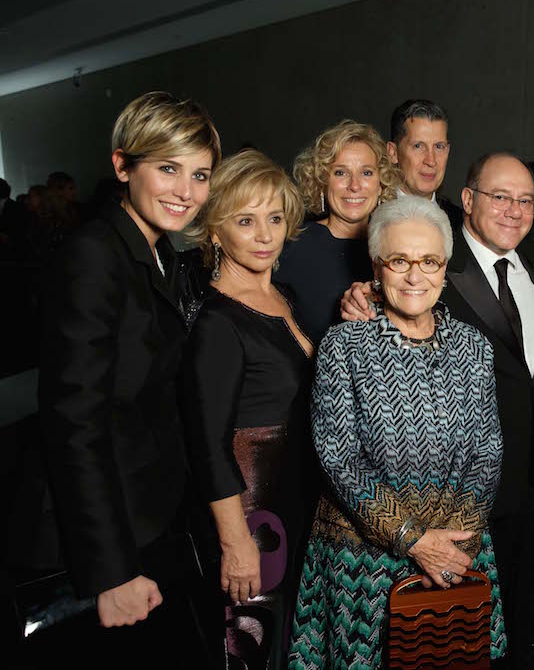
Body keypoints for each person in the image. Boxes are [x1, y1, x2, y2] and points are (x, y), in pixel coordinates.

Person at [10, 91, 220, 665]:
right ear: (123, 165)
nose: (186, 191)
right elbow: (74, 422)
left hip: (145, 517)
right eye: (168, 169)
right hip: (92, 541)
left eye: (200, 174)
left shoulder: (160, 252)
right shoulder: (94, 255)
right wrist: (111, 572)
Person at [340, 152, 534, 668]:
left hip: (482, 520)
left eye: (526, 201)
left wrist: (461, 534)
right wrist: (414, 538)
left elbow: (493, 436)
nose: (514, 210)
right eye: (501, 197)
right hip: (381, 543)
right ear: (469, 200)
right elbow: (340, 454)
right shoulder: (412, 273)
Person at [288, 197, 507, 668]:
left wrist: (453, 550)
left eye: (429, 261)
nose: (414, 276)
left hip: (456, 557)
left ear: (444, 268)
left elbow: (488, 452)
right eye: (399, 261)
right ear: (376, 267)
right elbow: (338, 456)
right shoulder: (344, 346)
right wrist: (414, 540)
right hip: (363, 564)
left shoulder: (474, 347)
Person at [181, 149, 312, 668]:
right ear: (215, 231)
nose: (264, 235)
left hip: (294, 502)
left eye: (275, 218)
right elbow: (207, 444)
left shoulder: (286, 296)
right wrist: (235, 540)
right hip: (253, 512)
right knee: (250, 649)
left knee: (285, 646)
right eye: (245, 221)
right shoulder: (218, 321)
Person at [273, 119, 399, 344]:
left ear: (381, 184)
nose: (355, 185)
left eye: (366, 173)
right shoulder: (291, 245)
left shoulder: (398, 246)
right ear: (322, 182)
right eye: (341, 173)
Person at [386, 99, 462, 224]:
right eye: (418, 146)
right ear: (393, 153)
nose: (431, 161)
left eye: (439, 147)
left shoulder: (460, 222)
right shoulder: (367, 219)